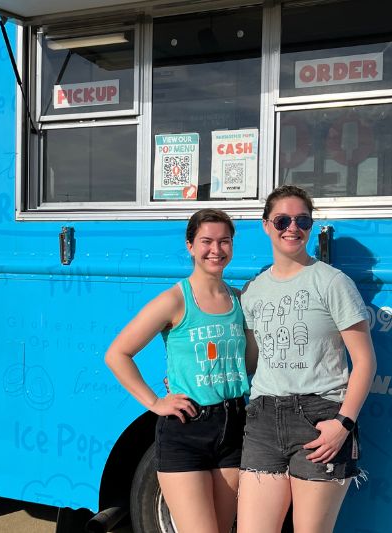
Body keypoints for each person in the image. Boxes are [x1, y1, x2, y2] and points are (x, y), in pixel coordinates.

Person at [237, 185, 377, 533]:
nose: (293, 227)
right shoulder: (253, 290)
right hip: (263, 420)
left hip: (319, 420)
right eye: (283, 219)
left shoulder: (332, 282)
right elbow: (251, 362)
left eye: (303, 220)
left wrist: (343, 425)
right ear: (266, 224)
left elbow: (365, 362)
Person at [105, 208, 249, 533]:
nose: (216, 249)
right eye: (207, 241)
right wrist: (155, 402)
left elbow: (246, 364)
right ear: (190, 245)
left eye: (224, 241)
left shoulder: (239, 301)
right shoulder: (175, 300)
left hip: (234, 426)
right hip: (187, 431)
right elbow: (118, 354)